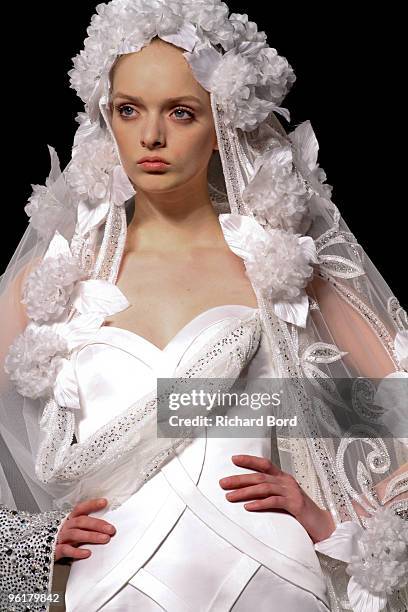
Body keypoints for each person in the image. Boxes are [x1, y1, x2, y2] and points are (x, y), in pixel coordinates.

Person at [0, 2, 407, 611]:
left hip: (271, 578)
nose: (151, 137)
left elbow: (396, 407)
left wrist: (334, 524)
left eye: (181, 112)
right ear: (106, 118)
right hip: (112, 587)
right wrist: (28, 550)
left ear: (222, 124)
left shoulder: (279, 269)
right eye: (129, 110)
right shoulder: (57, 278)